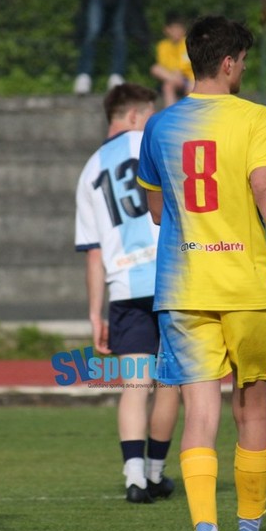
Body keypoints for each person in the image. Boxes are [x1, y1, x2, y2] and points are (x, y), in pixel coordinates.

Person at [137, 15, 266, 531]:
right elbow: (264, 184)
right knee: (251, 408)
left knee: (200, 414)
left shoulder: (159, 125)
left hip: (183, 287)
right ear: (229, 63)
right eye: (243, 62)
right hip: (248, 286)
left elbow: (156, 211)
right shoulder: (254, 116)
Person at [74, 83, 180, 504]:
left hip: (124, 288)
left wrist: (94, 313)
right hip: (172, 280)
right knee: (169, 384)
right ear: (136, 116)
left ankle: (134, 477)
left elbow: (93, 253)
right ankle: (155, 472)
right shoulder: (158, 143)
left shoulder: (90, 169)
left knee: (135, 385)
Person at [150, 12, 194, 107]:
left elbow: (188, 64)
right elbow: (163, 63)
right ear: (167, 30)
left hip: (188, 78)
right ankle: (171, 111)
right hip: (173, 76)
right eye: (174, 29)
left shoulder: (187, 43)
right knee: (160, 75)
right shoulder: (162, 45)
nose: (177, 32)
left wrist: (179, 71)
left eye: (179, 29)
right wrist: (174, 74)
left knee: (191, 87)